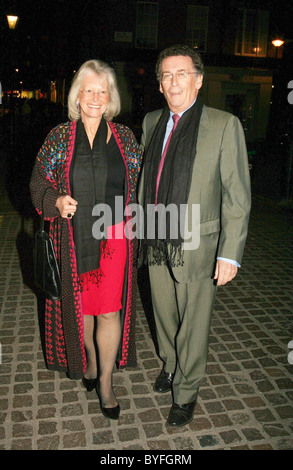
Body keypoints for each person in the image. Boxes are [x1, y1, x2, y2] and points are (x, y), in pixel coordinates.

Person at [139, 44, 251, 428]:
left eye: (182, 73)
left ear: (199, 80)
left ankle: (186, 391)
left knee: (194, 321)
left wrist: (229, 253)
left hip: (198, 243)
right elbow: (145, 181)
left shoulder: (223, 125)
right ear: (159, 84)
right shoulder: (152, 121)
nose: (174, 82)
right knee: (164, 315)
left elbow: (237, 195)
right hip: (156, 236)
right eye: (167, 75)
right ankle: (170, 365)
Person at [30, 59, 142, 420]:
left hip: (114, 236)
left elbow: (139, 186)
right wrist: (55, 201)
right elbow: (37, 183)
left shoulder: (125, 137)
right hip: (73, 240)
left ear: (110, 97)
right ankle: (92, 361)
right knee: (83, 309)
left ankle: (106, 382)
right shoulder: (59, 136)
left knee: (110, 310)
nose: (95, 97)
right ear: (77, 96)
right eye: (88, 90)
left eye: (102, 91)